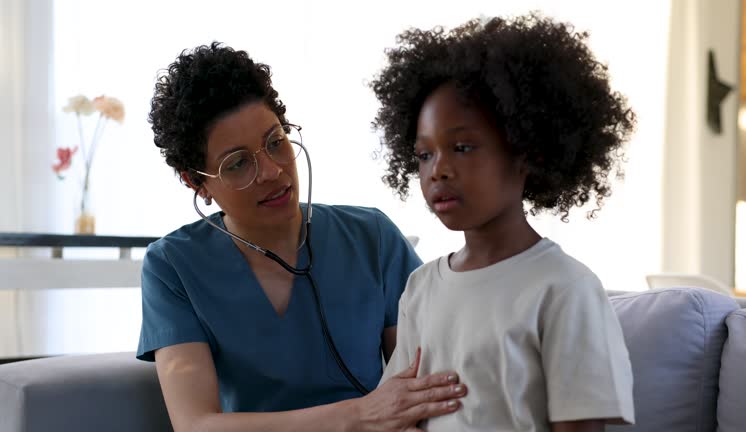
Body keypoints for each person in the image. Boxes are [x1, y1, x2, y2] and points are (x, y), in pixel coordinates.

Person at [137, 42, 466, 432]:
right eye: (238, 163)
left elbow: (422, 387)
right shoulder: (172, 266)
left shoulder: (372, 238)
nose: (272, 171)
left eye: (276, 142)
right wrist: (360, 415)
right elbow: (196, 425)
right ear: (196, 182)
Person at [370, 14, 636, 432]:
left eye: (462, 146)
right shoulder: (420, 289)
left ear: (528, 153)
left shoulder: (565, 289)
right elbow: (401, 416)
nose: (437, 170)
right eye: (424, 154)